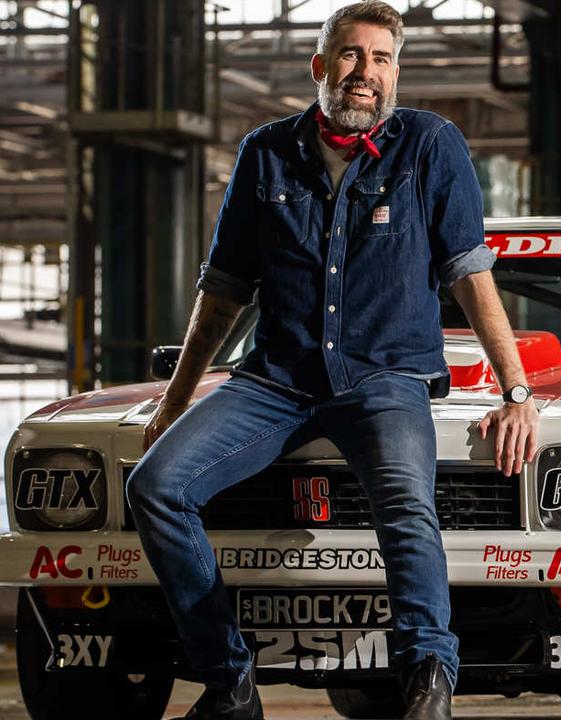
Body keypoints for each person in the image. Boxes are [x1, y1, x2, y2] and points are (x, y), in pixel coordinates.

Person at [125, 3, 537, 719]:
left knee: (407, 506)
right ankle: (230, 683)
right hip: (275, 383)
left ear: (396, 73)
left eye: (381, 59)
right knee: (158, 487)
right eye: (350, 56)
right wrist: (174, 400)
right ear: (320, 66)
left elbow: (470, 276)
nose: (365, 74)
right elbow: (223, 291)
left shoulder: (431, 147)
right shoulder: (265, 153)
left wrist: (517, 389)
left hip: (386, 379)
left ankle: (428, 679)